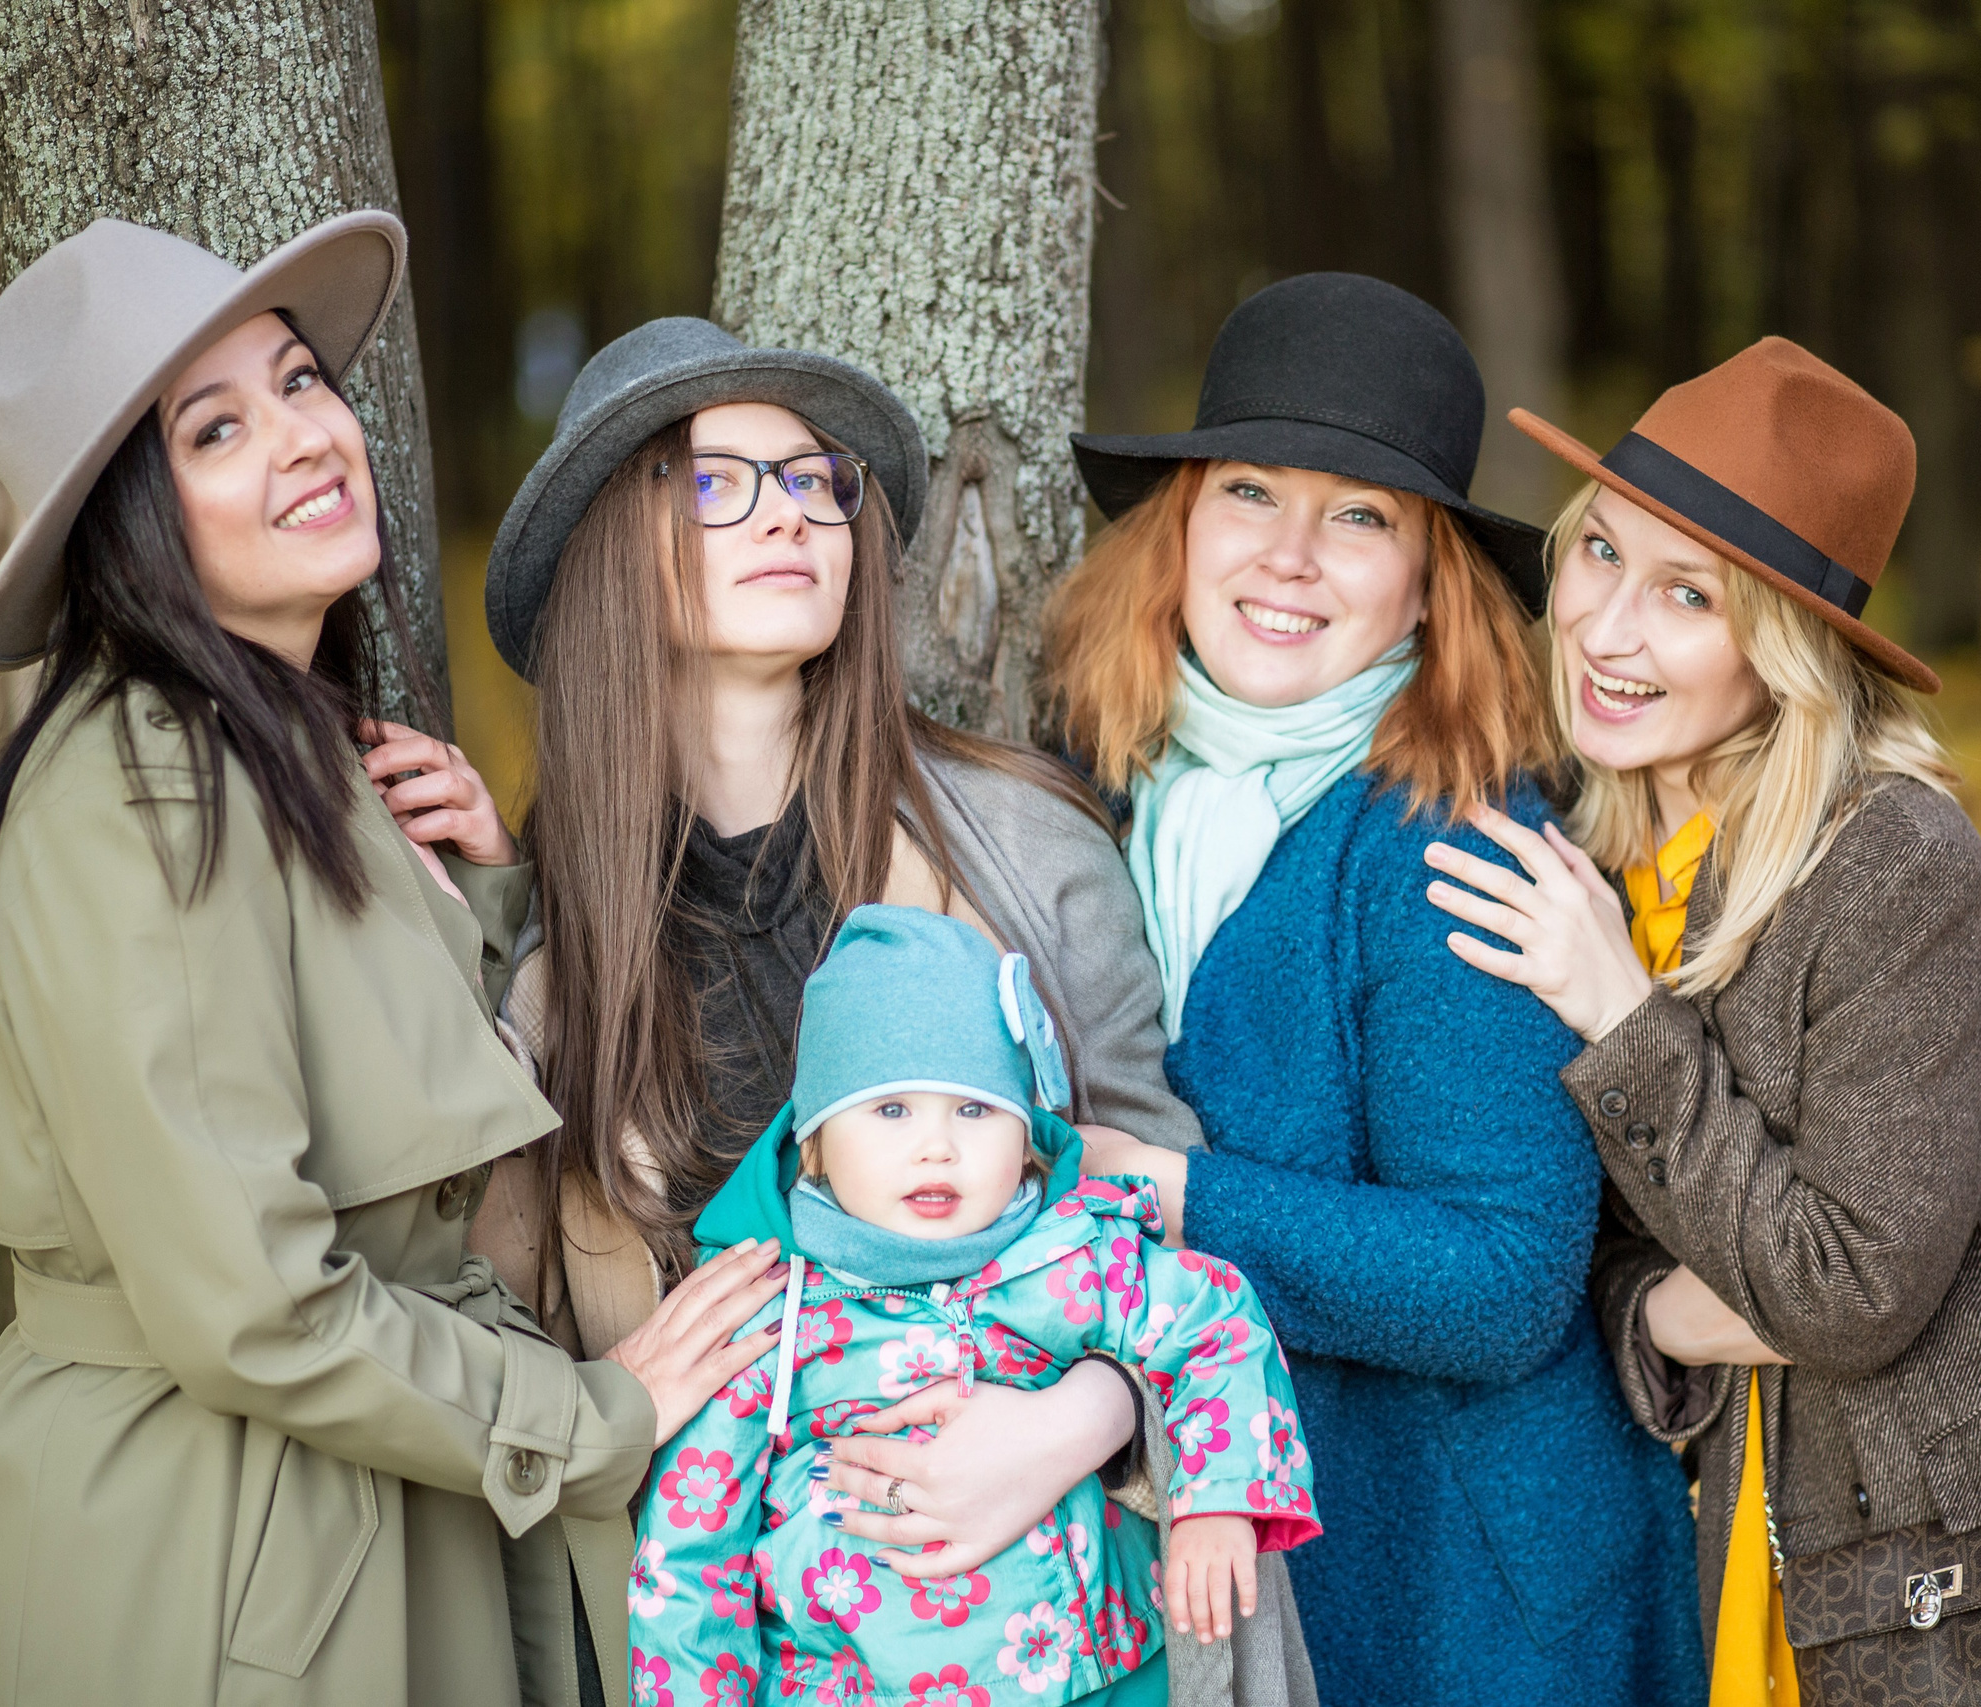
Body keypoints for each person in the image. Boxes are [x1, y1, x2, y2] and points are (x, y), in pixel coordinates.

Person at [0, 214, 784, 1707]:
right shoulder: (145, 795)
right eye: (218, 427)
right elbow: (252, 1296)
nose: (307, 437)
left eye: (302, 381)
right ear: (131, 514)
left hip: (350, 1494)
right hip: (210, 1549)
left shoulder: (280, 742)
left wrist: (484, 892)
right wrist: (598, 1414)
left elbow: (379, 1099)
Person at [1427, 336, 1981, 1705]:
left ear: (1782, 652)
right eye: (1601, 555)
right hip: (1832, 1511)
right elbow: (1592, 1243)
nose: (1606, 627)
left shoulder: (1892, 863)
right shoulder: (1583, 845)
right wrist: (1672, 1308)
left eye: (1686, 595)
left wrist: (1618, 1011)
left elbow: (1845, 1292)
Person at [466, 318, 1312, 1702]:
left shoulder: (1025, 848)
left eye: (816, 479)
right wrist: (620, 1388)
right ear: (610, 551)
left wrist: (1071, 1425)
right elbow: (487, 1333)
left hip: (1078, 1616)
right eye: (717, 480)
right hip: (754, 1642)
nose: (790, 512)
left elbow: (1163, 1211)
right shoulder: (555, 975)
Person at [1054, 272, 1704, 1704]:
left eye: (1360, 516)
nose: (1291, 554)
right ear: (1178, 530)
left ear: (1427, 578)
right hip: (1283, 1555)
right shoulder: (1122, 791)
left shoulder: (1448, 839)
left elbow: (1500, 1278)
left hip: (1469, 1597)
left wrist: (1168, 1190)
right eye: (1249, 493)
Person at [631, 905, 1319, 1707]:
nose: (937, 1146)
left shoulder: (1072, 1252)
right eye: (891, 1109)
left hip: (1100, 1674)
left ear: (1027, 1134)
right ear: (814, 1141)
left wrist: (1216, 1503)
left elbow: (1218, 1324)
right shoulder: (765, 1310)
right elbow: (688, 1559)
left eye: (974, 1108)